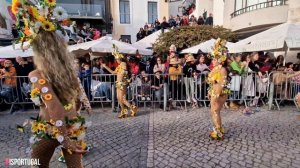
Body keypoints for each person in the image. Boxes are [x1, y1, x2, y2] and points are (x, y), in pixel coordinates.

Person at [13, 1, 89, 167]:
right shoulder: (68, 72)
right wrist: (80, 109)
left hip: (49, 130)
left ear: (39, 51)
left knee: (37, 165)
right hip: (73, 126)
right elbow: (77, 97)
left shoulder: (36, 75)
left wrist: (63, 139)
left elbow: (55, 108)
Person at [102, 45, 138, 118]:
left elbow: (125, 71)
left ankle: (133, 108)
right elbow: (113, 72)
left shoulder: (123, 64)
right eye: (115, 59)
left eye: (116, 58)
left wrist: (122, 76)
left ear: (120, 58)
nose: (116, 60)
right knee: (118, 98)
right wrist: (105, 67)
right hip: (118, 83)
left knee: (123, 99)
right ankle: (123, 111)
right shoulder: (118, 66)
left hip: (123, 83)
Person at [207, 39, 230, 140]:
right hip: (214, 91)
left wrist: (217, 95)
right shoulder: (215, 69)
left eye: (215, 59)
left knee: (216, 111)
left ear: (220, 60)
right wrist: (210, 91)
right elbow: (212, 82)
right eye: (213, 59)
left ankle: (219, 131)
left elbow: (222, 83)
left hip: (220, 93)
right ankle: (217, 129)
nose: (213, 61)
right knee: (213, 111)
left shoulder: (222, 69)